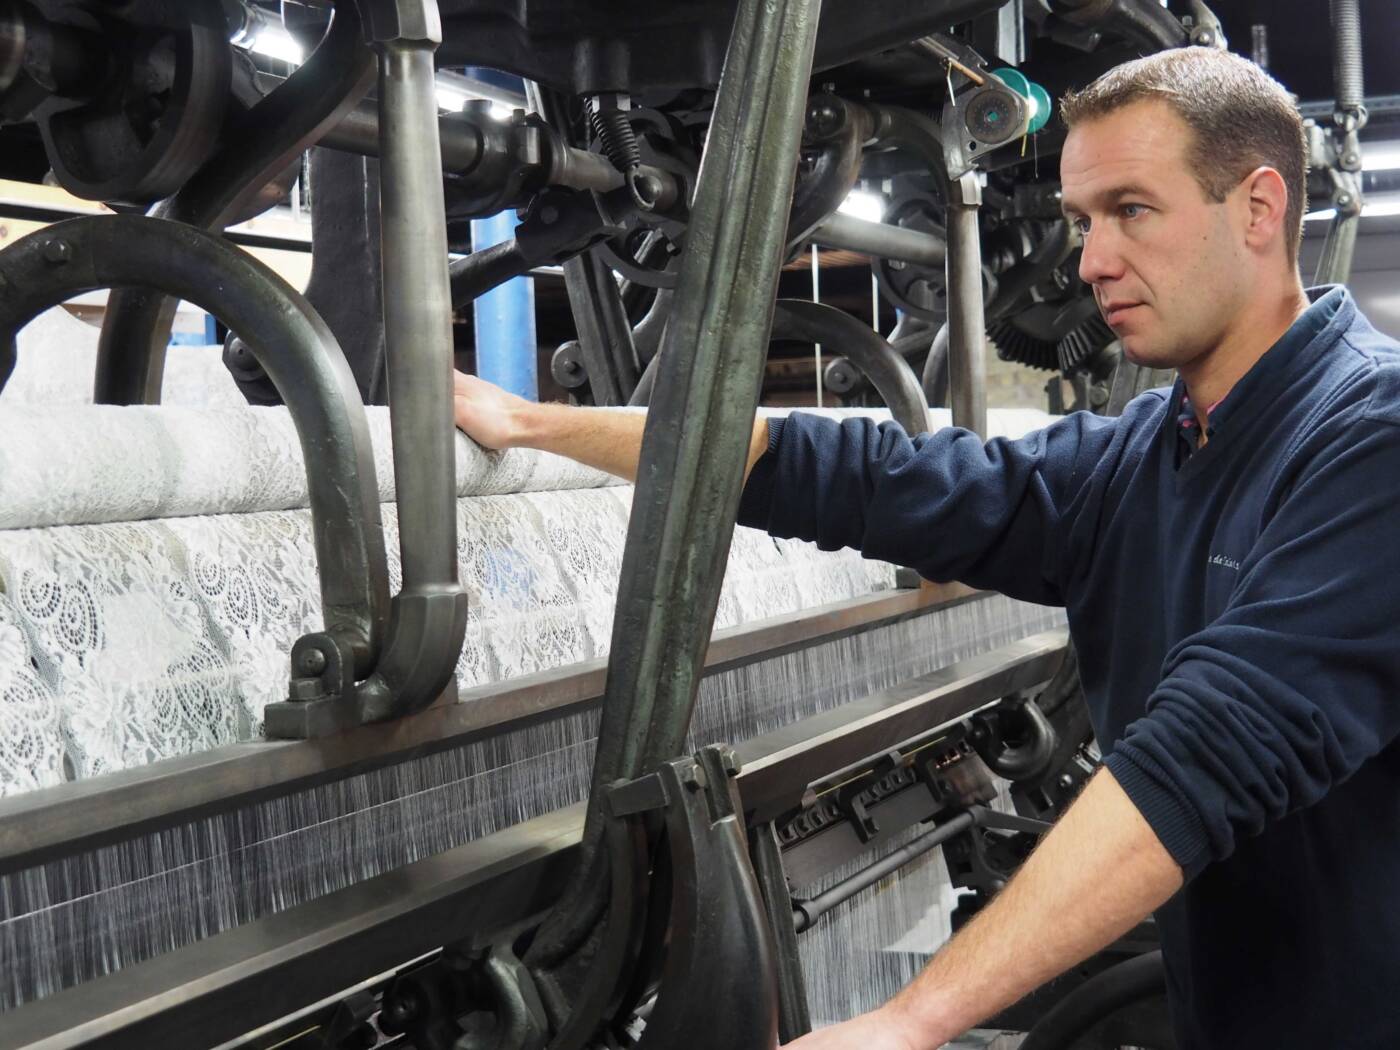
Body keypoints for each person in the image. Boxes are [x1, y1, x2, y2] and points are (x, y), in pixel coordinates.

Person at [452, 47, 1400, 1050]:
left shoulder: (1370, 436)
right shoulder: (1149, 451)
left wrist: (912, 1021)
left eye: (1131, 210)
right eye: (1081, 222)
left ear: (1256, 209)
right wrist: (538, 427)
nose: (1088, 262)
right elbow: (862, 474)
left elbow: (1213, 748)